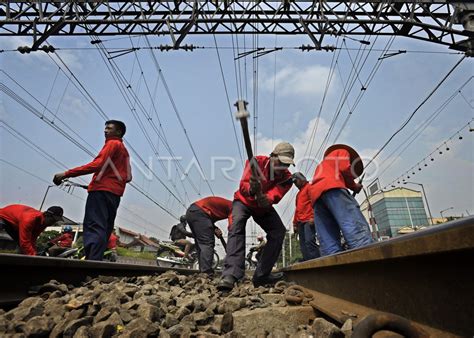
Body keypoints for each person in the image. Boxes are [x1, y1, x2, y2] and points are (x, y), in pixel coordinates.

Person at [218, 142, 295, 290]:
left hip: (262, 207)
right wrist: (251, 189)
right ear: (272, 156)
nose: (283, 168)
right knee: (236, 225)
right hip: (243, 201)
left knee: (278, 232)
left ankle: (261, 276)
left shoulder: (287, 178)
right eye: (280, 163)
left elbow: (276, 195)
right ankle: (231, 274)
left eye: (287, 165)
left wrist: (267, 198)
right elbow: (243, 185)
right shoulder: (256, 163)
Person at [53, 120, 132, 261]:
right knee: (105, 228)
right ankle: (96, 260)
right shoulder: (125, 152)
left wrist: (67, 173)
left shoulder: (112, 144)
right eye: (105, 128)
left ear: (118, 132)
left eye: (109, 128)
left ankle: (91, 261)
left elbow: (98, 164)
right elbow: (129, 177)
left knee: (94, 225)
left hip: (100, 190)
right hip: (115, 194)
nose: (105, 130)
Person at [309, 144, 374, 256]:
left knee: (328, 241)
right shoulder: (342, 151)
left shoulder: (322, 165)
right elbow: (344, 168)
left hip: (316, 197)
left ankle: (333, 265)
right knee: (355, 228)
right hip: (333, 188)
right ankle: (367, 256)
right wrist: (354, 186)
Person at [185, 196, 232, 274]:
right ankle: (206, 272)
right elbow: (233, 228)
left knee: (200, 244)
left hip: (193, 212)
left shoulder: (230, 206)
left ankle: (202, 271)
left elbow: (208, 216)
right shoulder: (235, 208)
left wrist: (214, 228)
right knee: (207, 243)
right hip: (200, 212)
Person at [0, 204, 65, 256]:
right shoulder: (29, 219)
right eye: (53, 220)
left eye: (55, 221)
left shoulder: (43, 224)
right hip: (2, 217)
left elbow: (32, 239)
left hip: (15, 223)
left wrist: (34, 253)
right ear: (47, 215)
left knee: (24, 247)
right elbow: (25, 242)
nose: (53, 223)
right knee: (24, 244)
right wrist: (34, 258)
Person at [292, 172, 320, 261]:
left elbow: (315, 202)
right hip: (300, 222)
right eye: (294, 182)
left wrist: (313, 217)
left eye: (296, 181)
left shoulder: (309, 187)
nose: (295, 184)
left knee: (309, 241)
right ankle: (307, 260)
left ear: (301, 179)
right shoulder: (298, 195)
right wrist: (294, 224)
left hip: (308, 219)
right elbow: (297, 210)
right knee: (302, 243)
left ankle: (317, 260)